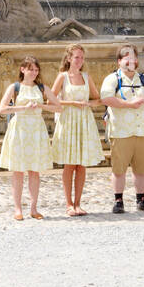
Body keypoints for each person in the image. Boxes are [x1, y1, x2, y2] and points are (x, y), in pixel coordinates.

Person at [99, 44, 144, 214]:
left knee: (141, 169)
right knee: (119, 169)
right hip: (120, 130)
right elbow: (106, 98)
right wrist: (128, 104)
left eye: (133, 57)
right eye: (126, 57)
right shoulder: (113, 79)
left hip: (142, 130)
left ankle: (141, 199)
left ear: (137, 60)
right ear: (119, 61)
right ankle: (118, 200)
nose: (130, 61)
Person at [0, 56, 59, 220]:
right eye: (31, 69)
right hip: (20, 129)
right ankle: (17, 209)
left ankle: (33, 207)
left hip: (36, 129)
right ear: (22, 69)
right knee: (18, 171)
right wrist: (22, 108)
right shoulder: (15, 87)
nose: (34, 72)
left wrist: (41, 106)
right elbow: (2, 109)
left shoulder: (42, 88)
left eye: (36, 70)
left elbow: (58, 107)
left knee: (34, 171)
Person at [50, 44, 103, 217]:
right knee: (69, 164)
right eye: (76, 57)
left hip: (84, 121)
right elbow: (51, 101)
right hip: (68, 121)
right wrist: (72, 103)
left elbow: (98, 99)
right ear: (68, 58)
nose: (79, 60)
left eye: (82, 57)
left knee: (81, 164)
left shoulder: (86, 77)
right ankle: (68, 204)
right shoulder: (62, 77)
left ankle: (78, 203)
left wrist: (89, 104)